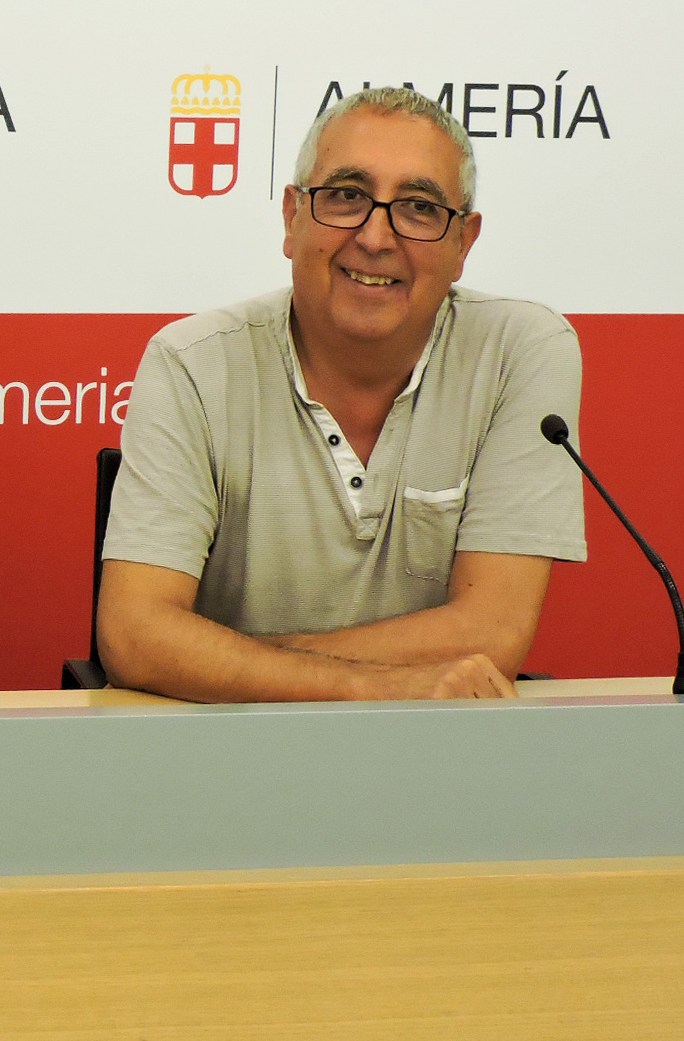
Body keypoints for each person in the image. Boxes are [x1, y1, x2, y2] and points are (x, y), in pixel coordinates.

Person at [96, 87, 584, 702]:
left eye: (418, 207)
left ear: (463, 243)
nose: (377, 238)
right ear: (291, 219)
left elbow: (494, 632)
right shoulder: (194, 363)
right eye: (347, 197)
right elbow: (137, 639)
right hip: (228, 757)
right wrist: (374, 685)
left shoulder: (523, 350)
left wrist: (219, 658)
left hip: (434, 762)